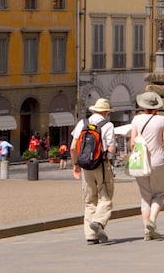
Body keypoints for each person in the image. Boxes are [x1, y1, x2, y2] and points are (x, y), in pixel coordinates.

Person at [129, 91, 164, 241]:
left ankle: (146, 231)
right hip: (157, 161)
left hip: (140, 161)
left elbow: (132, 143)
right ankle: (152, 221)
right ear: (156, 107)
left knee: (145, 196)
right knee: (160, 193)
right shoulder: (161, 120)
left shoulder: (136, 120)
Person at [71, 98, 116, 245]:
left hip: (85, 166)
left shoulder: (82, 124)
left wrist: (76, 164)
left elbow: (72, 147)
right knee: (105, 197)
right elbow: (110, 149)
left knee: (90, 200)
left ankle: (90, 236)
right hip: (101, 165)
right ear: (105, 112)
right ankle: (98, 221)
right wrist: (108, 158)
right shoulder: (107, 125)